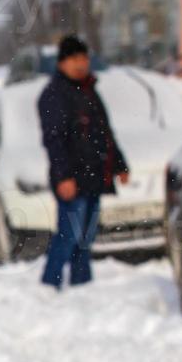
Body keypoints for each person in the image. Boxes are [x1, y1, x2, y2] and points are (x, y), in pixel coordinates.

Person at [37, 36, 129, 290]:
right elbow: (53, 141)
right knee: (68, 236)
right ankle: (49, 285)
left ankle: (82, 287)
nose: (81, 64)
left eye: (84, 58)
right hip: (71, 179)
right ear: (63, 62)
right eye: (75, 59)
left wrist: (120, 165)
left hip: (94, 175)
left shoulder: (89, 91)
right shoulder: (53, 95)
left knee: (85, 239)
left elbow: (105, 133)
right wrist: (64, 176)